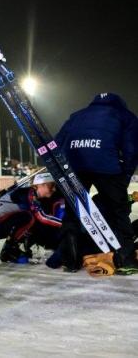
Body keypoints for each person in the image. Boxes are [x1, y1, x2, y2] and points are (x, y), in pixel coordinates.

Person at [55, 93, 138, 273]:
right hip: (106, 164)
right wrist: (124, 177)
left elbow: (57, 142)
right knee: (118, 211)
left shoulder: (77, 115)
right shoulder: (125, 115)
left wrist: (64, 168)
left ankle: (70, 259)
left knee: (73, 211)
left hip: (74, 165)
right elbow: (131, 149)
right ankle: (126, 258)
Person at [0, 172, 65, 264]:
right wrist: (65, 224)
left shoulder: (32, 193)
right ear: (42, 184)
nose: (54, 189)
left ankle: (11, 248)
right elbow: (42, 217)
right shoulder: (29, 194)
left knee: (30, 219)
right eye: (51, 185)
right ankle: (9, 251)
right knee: (28, 217)